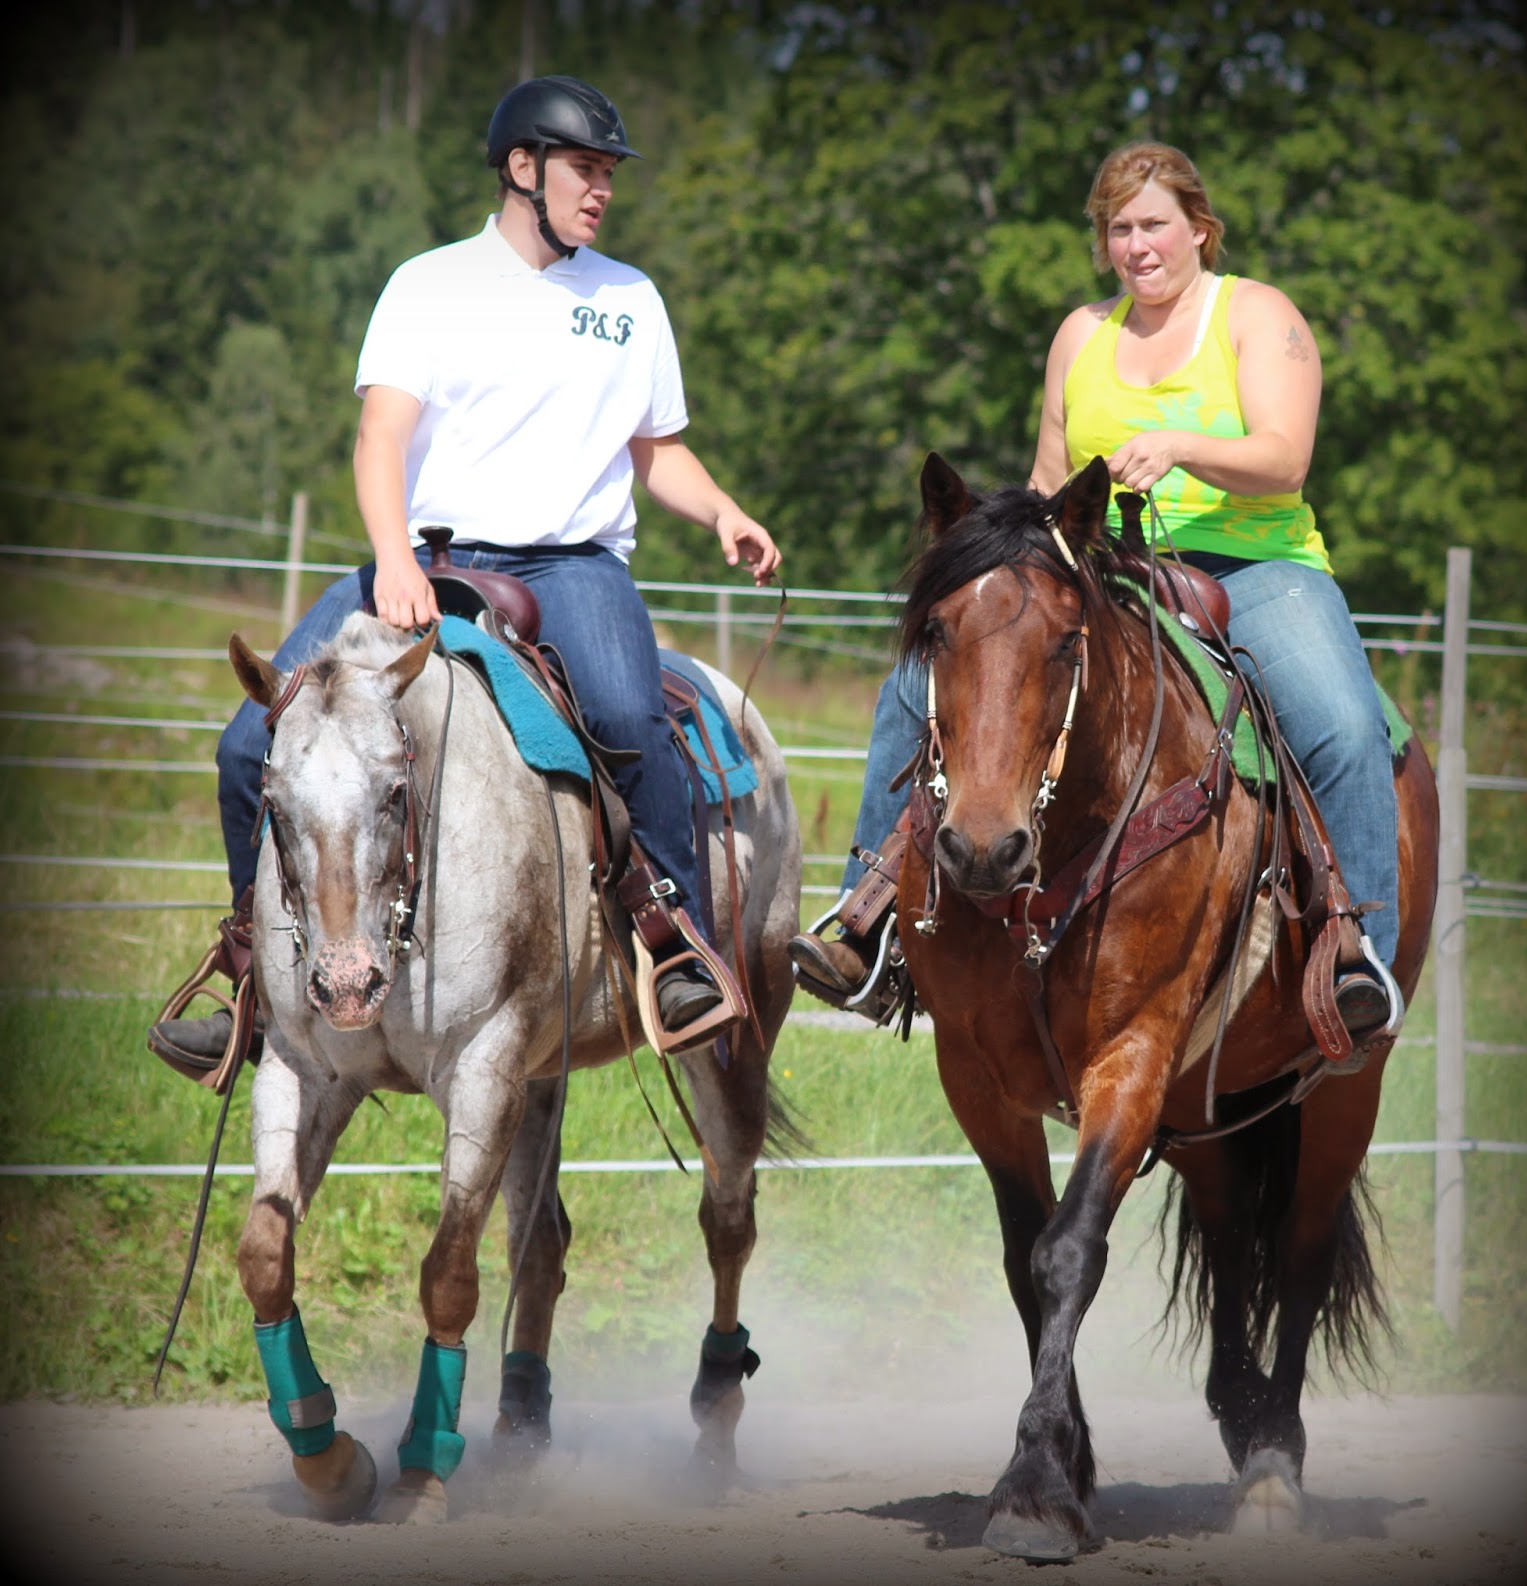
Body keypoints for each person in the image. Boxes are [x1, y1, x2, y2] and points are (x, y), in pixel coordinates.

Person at [149, 75, 780, 1076]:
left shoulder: (631, 299)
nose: (602, 188)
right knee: (244, 744)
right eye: (584, 168)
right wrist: (397, 557)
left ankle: (673, 943)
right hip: (427, 558)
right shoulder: (428, 283)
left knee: (627, 716)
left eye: (609, 172)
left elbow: (656, 449)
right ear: (522, 168)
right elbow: (379, 438)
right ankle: (254, 977)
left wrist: (723, 511)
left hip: (571, 564)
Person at [790, 139, 1403, 1037]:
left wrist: (1181, 446)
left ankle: (1355, 956)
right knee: (915, 683)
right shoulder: (1082, 334)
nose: (1136, 246)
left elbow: (1285, 460)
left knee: (1344, 724)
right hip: (1101, 569)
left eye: (1155, 224)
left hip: (1255, 566)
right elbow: (1048, 483)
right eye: (1118, 229)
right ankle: (871, 921)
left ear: (1200, 227)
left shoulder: (1255, 315)